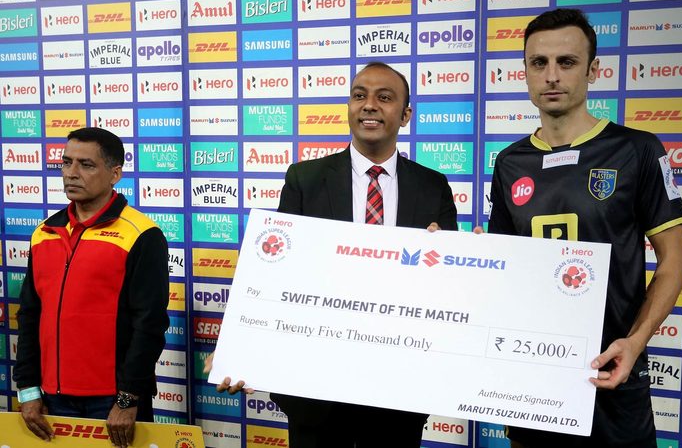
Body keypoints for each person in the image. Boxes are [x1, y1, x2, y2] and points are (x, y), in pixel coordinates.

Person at [208, 62, 457, 447]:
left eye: (384, 97)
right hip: (314, 390)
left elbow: (448, 287)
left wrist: (460, 259)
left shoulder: (433, 186)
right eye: (359, 95)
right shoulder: (304, 179)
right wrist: (240, 347)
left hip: (398, 390)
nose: (369, 105)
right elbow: (274, 272)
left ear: (406, 115)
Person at [486, 9, 682, 448]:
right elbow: (503, 269)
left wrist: (635, 342)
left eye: (567, 62)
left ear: (593, 70)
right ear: (525, 72)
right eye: (539, 63)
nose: (551, 75)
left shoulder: (637, 149)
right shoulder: (509, 163)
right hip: (535, 379)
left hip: (614, 370)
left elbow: (674, 259)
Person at [13, 127, 170, 448]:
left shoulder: (142, 234)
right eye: (66, 162)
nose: (71, 173)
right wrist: (28, 390)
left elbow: (149, 324)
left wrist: (128, 398)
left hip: (113, 402)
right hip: (51, 399)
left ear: (115, 174)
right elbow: (29, 315)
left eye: (86, 165)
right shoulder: (44, 233)